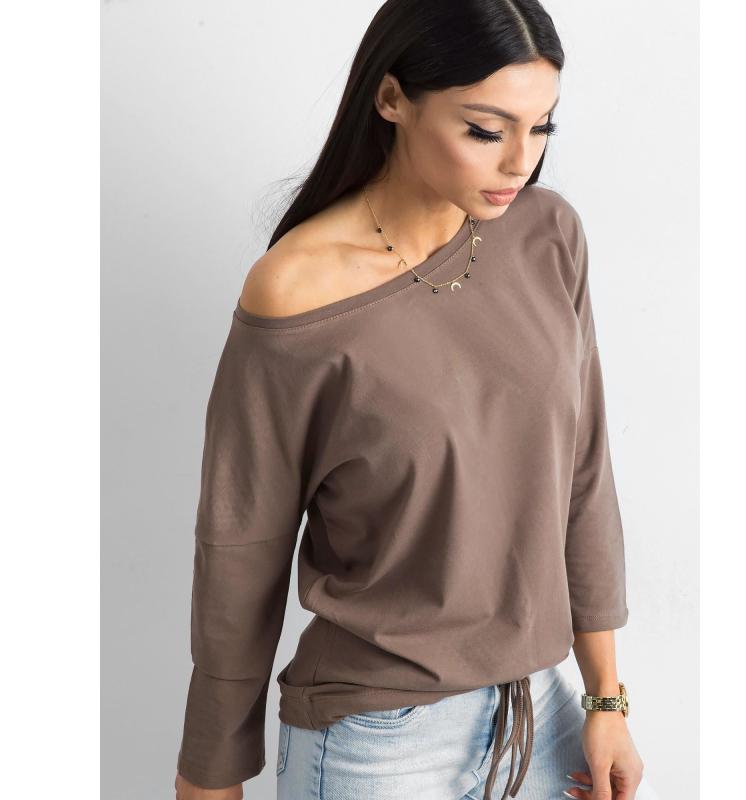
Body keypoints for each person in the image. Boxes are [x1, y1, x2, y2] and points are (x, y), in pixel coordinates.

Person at [175, 1, 661, 798]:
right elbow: (242, 548)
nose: (521, 162)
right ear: (393, 98)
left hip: (541, 717)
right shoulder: (296, 290)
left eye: (542, 127)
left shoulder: (547, 236)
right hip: (377, 743)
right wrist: (210, 774)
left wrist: (606, 697)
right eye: (485, 130)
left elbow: (582, 474)